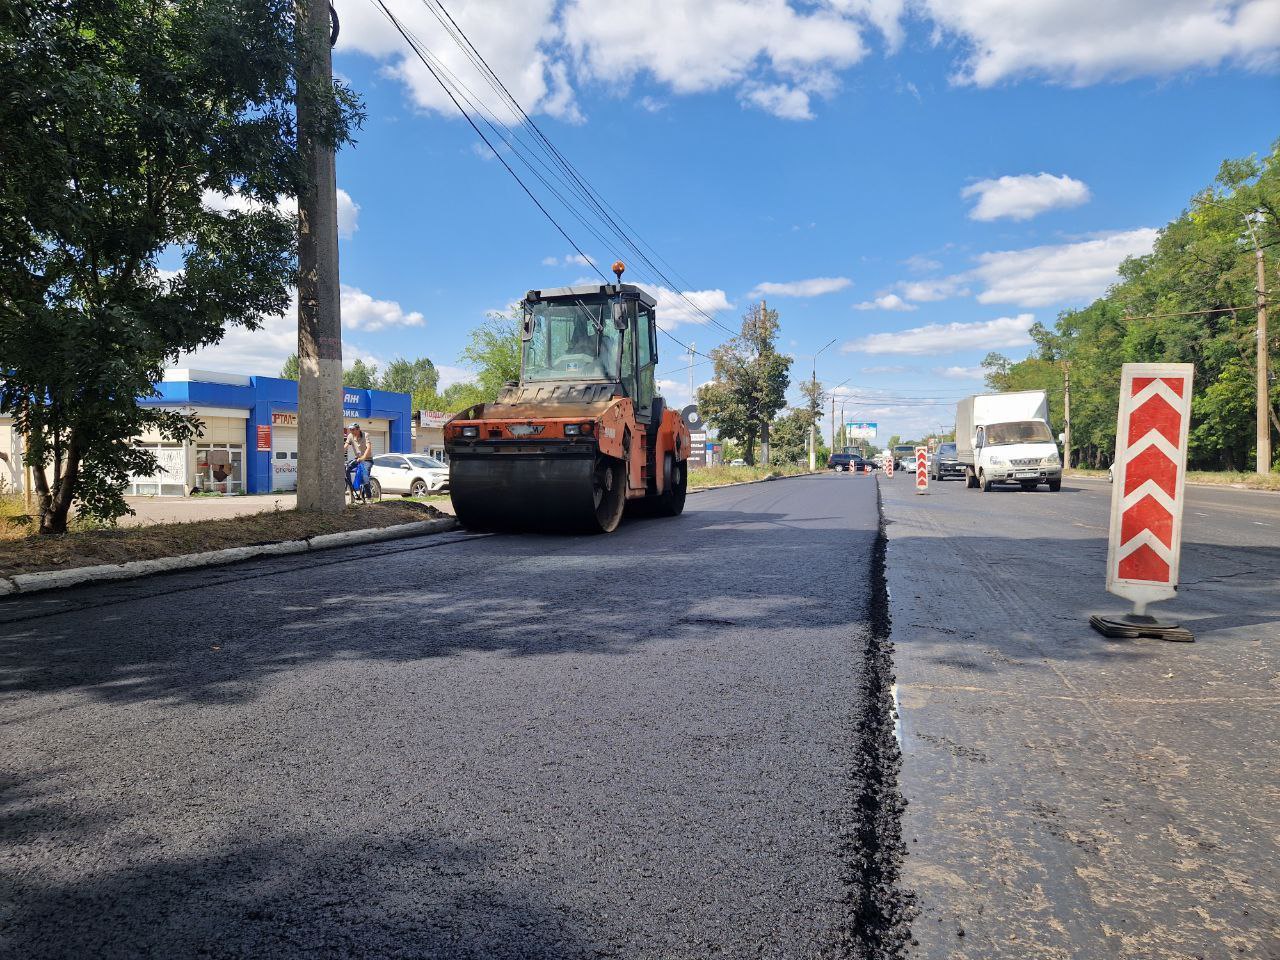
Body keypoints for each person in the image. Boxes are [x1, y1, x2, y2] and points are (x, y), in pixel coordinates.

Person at [344, 423, 372, 498]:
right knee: (347, 469)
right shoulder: (350, 436)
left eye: (353, 429)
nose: (351, 431)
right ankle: (352, 491)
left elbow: (368, 448)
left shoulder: (366, 435)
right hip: (358, 459)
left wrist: (364, 457)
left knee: (365, 477)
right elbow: (346, 446)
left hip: (367, 459)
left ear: (358, 429)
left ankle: (369, 497)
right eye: (350, 430)